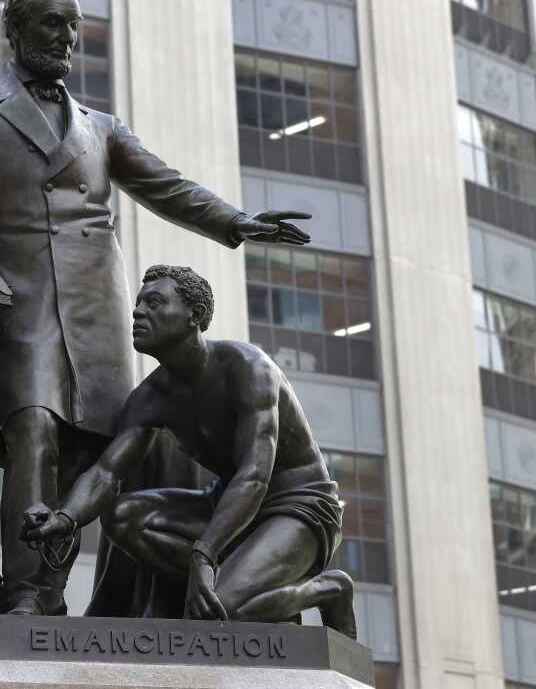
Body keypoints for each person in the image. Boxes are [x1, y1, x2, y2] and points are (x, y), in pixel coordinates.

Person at [0, 0, 311, 616]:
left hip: (100, 309)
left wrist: (233, 222)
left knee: (106, 450)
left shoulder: (101, 128)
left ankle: (104, 600)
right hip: (24, 306)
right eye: (52, 23)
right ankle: (29, 593)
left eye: (74, 25)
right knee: (35, 431)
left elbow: (168, 184)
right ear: (15, 32)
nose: (66, 36)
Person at [22, 265, 356, 637]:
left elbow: (255, 476)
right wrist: (65, 518)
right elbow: (107, 473)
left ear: (194, 316)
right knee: (123, 517)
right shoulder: (151, 398)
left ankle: (328, 589)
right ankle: (243, 581)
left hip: (296, 507)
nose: (137, 312)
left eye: (154, 302)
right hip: (226, 507)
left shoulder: (248, 369)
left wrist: (204, 554)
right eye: (137, 303)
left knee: (219, 611)